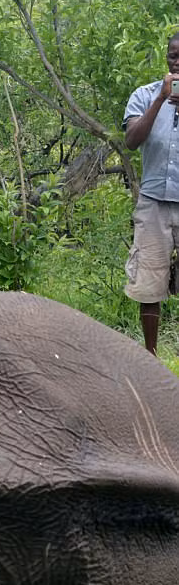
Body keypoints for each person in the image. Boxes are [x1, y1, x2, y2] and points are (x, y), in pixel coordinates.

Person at [123, 31, 179, 356]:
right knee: (149, 281)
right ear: (166, 57)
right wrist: (160, 98)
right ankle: (151, 356)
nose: (178, 61)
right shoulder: (144, 95)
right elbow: (132, 140)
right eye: (173, 55)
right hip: (154, 203)